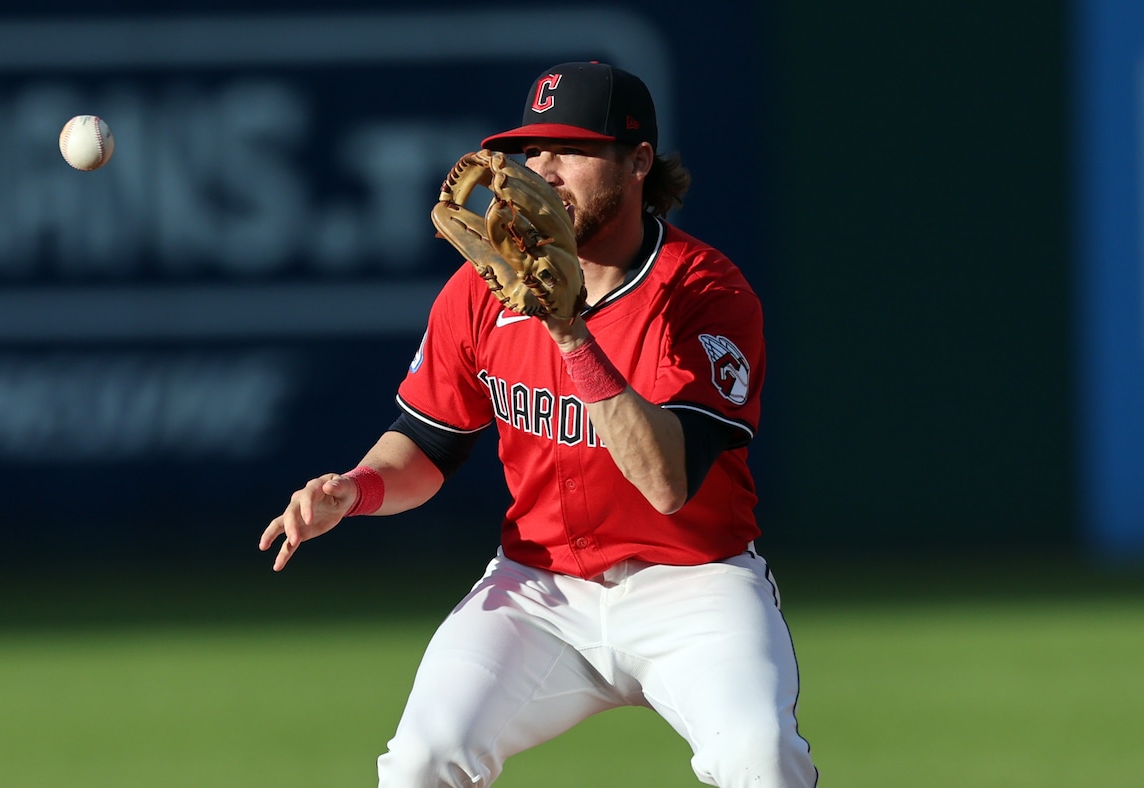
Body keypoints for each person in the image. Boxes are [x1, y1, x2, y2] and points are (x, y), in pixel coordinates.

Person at [259, 61, 818, 787]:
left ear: (638, 161)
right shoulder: (483, 289)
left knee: (759, 757)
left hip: (693, 585)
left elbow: (668, 483)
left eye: (570, 150)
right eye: (533, 152)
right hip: (540, 589)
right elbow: (429, 444)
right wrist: (356, 489)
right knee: (423, 760)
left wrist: (571, 335)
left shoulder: (704, 293)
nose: (542, 171)